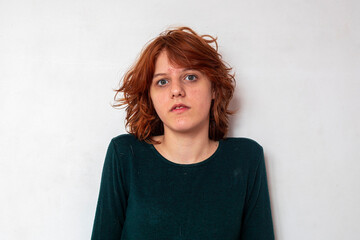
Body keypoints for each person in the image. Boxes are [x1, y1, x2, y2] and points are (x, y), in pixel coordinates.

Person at [91, 26, 274, 239]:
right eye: (162, 82)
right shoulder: (125, 154)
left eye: (190, 77)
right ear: (150, 96)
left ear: (214, 88)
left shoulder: (246, 158)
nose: (176, 90)